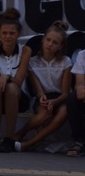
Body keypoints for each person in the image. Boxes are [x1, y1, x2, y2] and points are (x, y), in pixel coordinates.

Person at [14, 21, 72, 152]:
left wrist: (55, 101)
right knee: (45, 113)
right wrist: (43, 98)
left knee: (64, 111)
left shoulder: (65, 62)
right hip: (44, 97)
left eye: (55, 42)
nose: (50, 44)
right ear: (43, 40)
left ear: (60, 46)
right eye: (48, 40)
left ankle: (28, 143)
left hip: (60, 98)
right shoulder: (32, 62)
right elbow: (38, 89)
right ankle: (20, 133)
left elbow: (65, 93)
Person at [0, 8, 32, 152]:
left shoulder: (25, 50)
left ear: (19, 34)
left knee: (10, 88)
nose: (8, 36)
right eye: (4, 33)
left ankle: (9, 138)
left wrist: (6, 76)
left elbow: (18, 81)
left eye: (12, 33)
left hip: (19, 96)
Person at [65, 48, 85, 157]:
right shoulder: (83, 55)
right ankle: (79, 141)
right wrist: (81, 89)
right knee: (73, 98)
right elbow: (80, 85)